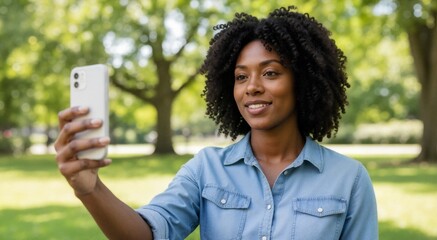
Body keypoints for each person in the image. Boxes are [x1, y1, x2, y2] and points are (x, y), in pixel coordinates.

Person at [54, 6, 378, 240]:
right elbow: (148, 233)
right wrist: (91, 189)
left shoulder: (348, 180)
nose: (252, 86)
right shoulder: (206, 169)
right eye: (240, 76)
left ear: (303, 81)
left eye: (270, 72)